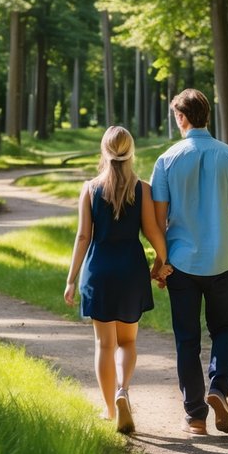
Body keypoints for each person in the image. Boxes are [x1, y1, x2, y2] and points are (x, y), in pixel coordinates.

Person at [150, 88, 228, 435]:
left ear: (181, 117)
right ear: (206, 115)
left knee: (187, 338)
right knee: (223, 330)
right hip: (222, 260)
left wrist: (160, 261)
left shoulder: (166, 160)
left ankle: (195, 416)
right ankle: (218, 389)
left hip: (181, 263)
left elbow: (158, 219)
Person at [64, 125, 172, 435]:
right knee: (127, 341)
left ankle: (110, 408)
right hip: (131, 270)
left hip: (99, 270)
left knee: (104, 344)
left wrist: (71, 278)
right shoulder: (143, 188)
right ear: (131, 150)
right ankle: (123, 390)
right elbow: (153, 232)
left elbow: (84, 236)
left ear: (104, 150)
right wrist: (163, 262)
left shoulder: (90, 188)